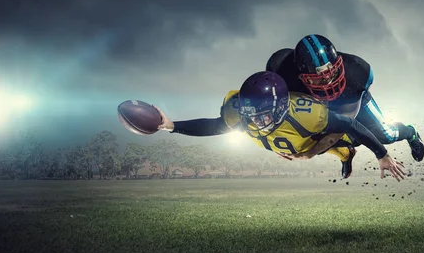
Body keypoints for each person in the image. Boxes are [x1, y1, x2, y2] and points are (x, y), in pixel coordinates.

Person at [156, 71, 407, 180]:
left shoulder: (309, 114)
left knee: (314, 148)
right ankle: (343, 155)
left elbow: (349, 124)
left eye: (261, 116)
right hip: (287, 141)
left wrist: (382, 155)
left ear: (280, 108)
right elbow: (214, 126)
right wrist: (171, 125)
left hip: (320, 134)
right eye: (249, 115)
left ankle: (355, 149)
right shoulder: (243, 112)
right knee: (297, 151)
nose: (254, 122)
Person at [266, 34, 424, 162]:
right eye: (319, 79)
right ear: (301, 76)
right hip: (315, 104)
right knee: (312, 139)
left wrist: (309, 154)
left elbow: (345, 125)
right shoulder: (281, 72)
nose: (329, 82)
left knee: (385, 135)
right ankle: (347, 153)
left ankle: (411, 133)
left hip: (348, 100)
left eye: (333, 73)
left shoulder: (356, 73)